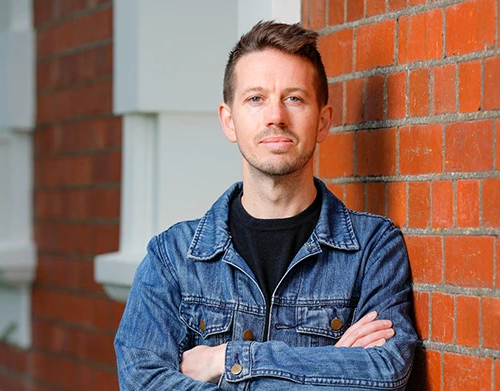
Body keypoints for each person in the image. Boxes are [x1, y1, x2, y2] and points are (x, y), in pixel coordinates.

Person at [114, 21, 417, 390]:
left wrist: (224, 359)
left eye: (294, 98)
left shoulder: (372, 248)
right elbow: (141, 381)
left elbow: (384, 374)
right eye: (256, 98)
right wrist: (330, 367)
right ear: (229, 121)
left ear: (322, 121)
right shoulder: (173, 257)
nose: (276, 116)